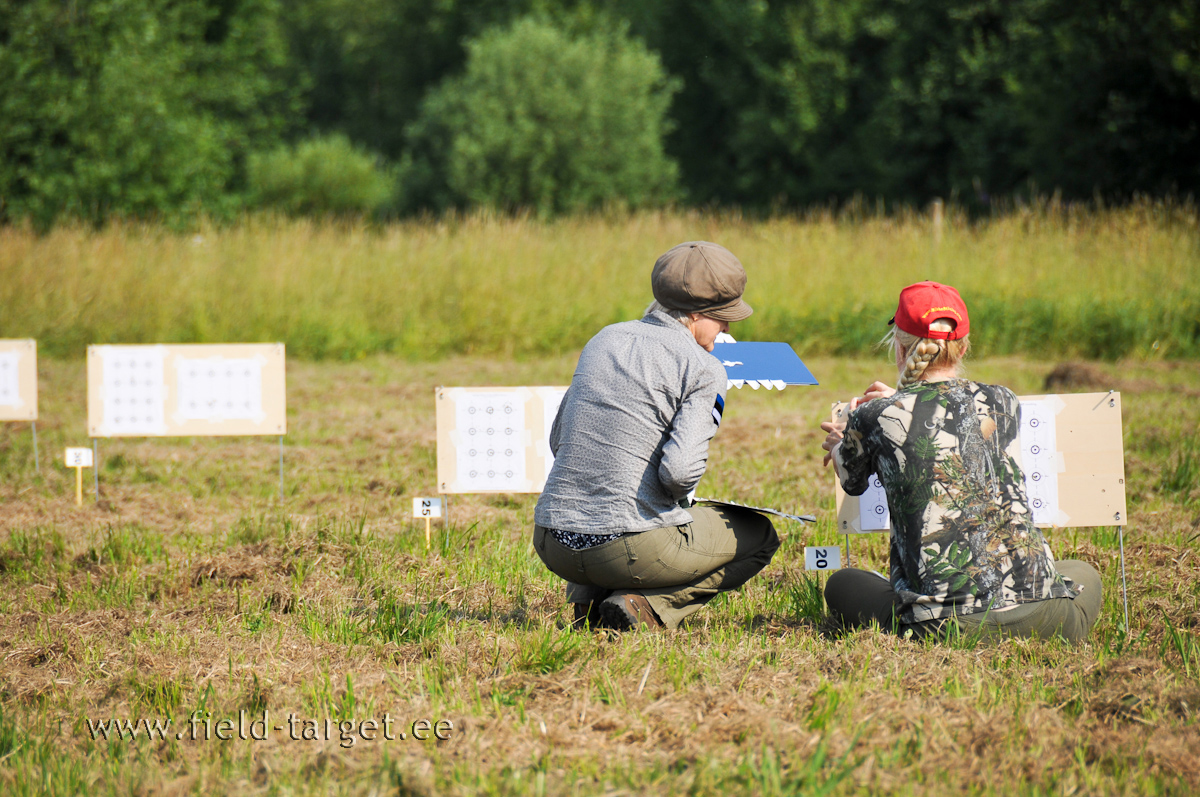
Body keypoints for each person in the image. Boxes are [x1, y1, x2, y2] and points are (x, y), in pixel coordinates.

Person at [819, 281, 1101, 644]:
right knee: (1082, 571)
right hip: (1048, 618)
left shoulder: (875, 415)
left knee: (842, 583)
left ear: (900, 349)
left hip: (946, 627)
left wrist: (846, 440)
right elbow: (949, 416)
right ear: (964, 347)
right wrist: (903, 404)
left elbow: (853, 481)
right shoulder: (1005, 400)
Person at [533, 242, 779, 631]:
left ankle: (589, 603)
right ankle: (649, 606)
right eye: (722, 317)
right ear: (696, 313)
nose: (728, 328)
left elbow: (558, 439)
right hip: (629, 551)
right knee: (761, 535)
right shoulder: (704, 367)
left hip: (552, 543)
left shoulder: (604, 339)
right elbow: (678, 474)